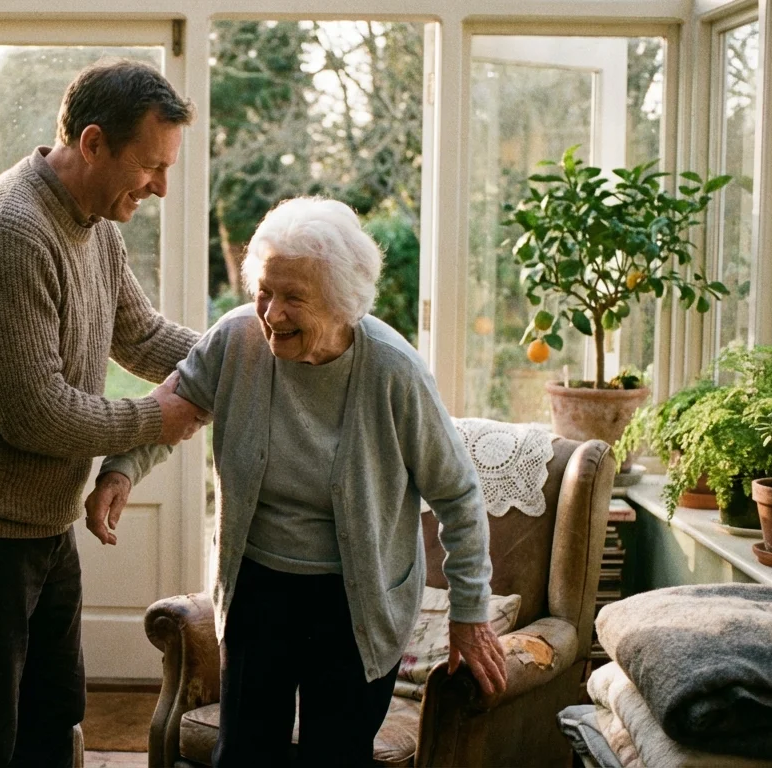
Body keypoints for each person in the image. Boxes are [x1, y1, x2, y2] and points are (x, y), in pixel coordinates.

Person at [86, 197, 508, 767]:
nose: (271, 313)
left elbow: (458, 496)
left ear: (342, 303)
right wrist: (120, 468)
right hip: (259, 587)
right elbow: (176, 404)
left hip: (357, 601)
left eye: (293, 298)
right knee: (244, 754)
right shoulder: (236, 341)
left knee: (334, 756)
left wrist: (470, 614)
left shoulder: (392, 371)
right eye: (263, 291)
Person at [0, 60, 208, 768]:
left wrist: (242, 356)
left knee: (53, 718)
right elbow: (35, 415)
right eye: (150, 166)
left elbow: (143, 335)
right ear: (93, 144)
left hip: (38, 521)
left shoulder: (95, 224)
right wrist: (155, 419)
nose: (160, 186)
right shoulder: (8, 235)